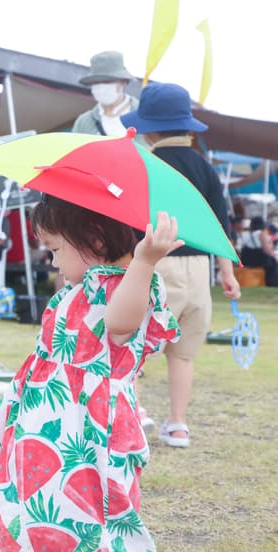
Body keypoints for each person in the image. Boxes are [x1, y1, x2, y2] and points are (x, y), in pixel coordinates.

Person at [0, 195, 182, 550]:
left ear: (95, 239)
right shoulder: (83, 286)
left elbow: (119, 323)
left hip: (88, 427)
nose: (53, 262)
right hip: (47, 417)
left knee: (88, 507)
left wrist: (144, 261)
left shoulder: (127, 285)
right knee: (35, 498)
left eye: (56, 250)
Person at [121, 82, 241, 447]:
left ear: (149, 130)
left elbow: (130, 220)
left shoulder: (146, 164)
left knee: (134, 345)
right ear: (189, 127)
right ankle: (177, 425)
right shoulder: (205, 168)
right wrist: (228, 273)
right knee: (183, 355)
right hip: (199, 272)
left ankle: (134, 414)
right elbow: (219, 226)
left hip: (157, 264)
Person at [72, 51, 139, 137]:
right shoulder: (84, 122)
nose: (101, 87)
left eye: (107, 81)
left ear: (123, 81)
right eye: (96, 82)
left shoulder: (143, 114)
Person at [239, 216, 278, 286]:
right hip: (258, 260)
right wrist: (274, 255)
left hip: (246, 260)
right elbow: (266, 250)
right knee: (273, 262)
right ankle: (272, 283)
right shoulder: (261, 234)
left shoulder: (246, 234)